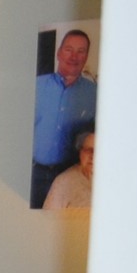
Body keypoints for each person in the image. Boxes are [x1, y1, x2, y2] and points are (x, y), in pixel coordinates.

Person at [32, 29, 96, 208]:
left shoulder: (94, 94)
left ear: (86, 56)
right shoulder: (36, 86)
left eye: (81, 51)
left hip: (71, 177)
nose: (74, 56)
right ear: (59, 53)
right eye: (68, 49)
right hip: (35, 174)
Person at [43, 130, 95, 210]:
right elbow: (46, 219)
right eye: (88, 150)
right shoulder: (63, 182)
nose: (93, 156)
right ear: (80, 152)